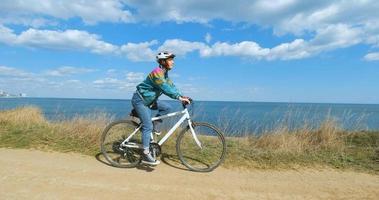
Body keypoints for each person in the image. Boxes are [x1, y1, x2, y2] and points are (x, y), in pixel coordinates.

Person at [131, 51, 191, 165]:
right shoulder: (157, 73)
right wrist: (178, 97)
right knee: (147, 126)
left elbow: (171, 86)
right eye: (170, 60)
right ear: (163, 61)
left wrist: (182, 95)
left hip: (150, 101)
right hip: (140, 101)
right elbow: (164, 87)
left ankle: (155, 126)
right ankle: (145, 152)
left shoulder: (164, 73)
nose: (173, 62)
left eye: (172, 59)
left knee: (167, 107)